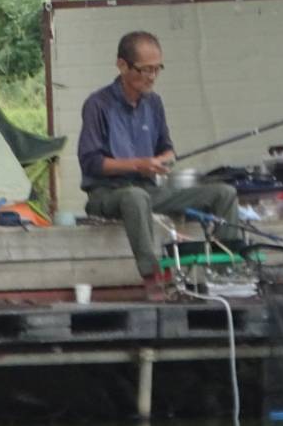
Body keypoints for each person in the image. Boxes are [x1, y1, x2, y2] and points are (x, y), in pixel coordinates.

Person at [77, 30, 241, 300]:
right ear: (122, 65)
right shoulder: (98, 104)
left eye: (157, 69)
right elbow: (91, 163)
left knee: (224, 193)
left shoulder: (154, 104)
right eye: (145, 69)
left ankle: (226, 272)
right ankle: (153, 276)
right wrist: (138, 165)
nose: (152, 76)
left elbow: (167, 147)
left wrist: (164, 160)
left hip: (150, 191)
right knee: (135, 197)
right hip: (107, 194)